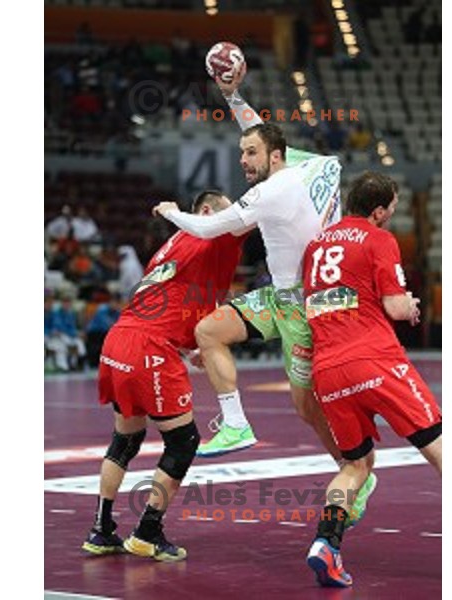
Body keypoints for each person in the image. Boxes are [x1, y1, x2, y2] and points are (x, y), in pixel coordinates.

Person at [153, 65, 377, 528]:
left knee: (305, 407)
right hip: (279, 295)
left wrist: (173, 212)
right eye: (241, 153)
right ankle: (236, 423)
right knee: (208, 330)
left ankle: (354, 469)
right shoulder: (308, 163)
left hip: (306, 306)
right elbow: (258, 131)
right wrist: (233, 97)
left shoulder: (270, 193)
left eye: (250, 155)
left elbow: (210, 227)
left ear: (274, 158)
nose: (242, 161)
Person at [82, 190, 250, 561]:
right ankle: (147, 531)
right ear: (206, 212)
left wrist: (195, 346)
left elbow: (172, 299)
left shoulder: (173, 244)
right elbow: (258, 210)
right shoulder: (215, 232)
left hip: (119, 339)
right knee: (183, 441)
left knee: (125, 440)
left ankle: (101, 528)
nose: (235, 214)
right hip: (148, 347)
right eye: (227, 208)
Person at [301, 172, 442, 587]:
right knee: (438, 446)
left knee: (355, 465)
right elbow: (397, 308)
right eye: (393, 208)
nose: (393, 214)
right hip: (374, 359)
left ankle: (326, 544)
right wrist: (412, 304)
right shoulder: (378, 238)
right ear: (379, 210)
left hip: (328, 369)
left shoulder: (316, 245)